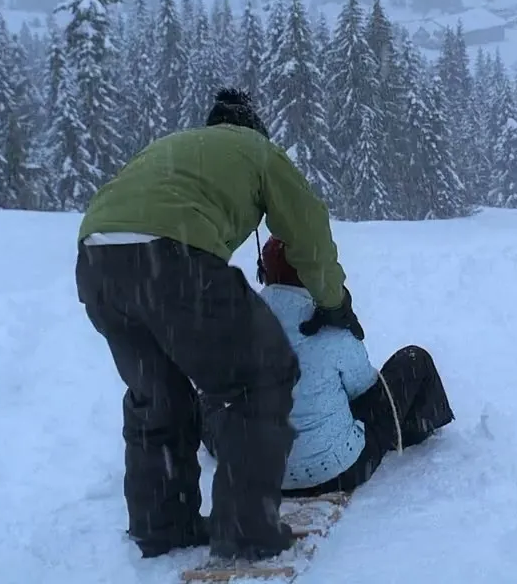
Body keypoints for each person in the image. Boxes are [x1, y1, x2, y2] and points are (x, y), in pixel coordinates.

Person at [74, 88, 365, 562]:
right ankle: (247, 529)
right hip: (174, 258)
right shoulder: (258, 150)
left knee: (157, 396)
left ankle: (162, 525)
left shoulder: (172, 147)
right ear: (256, 130)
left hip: (97, 263)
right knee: (263, 374)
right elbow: (307, 228)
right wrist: (334, 300)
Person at [251, 235, 455, 495]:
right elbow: (365, 387)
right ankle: (414, 434)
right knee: (415, 359)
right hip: (338, 472)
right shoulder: (327, 320)